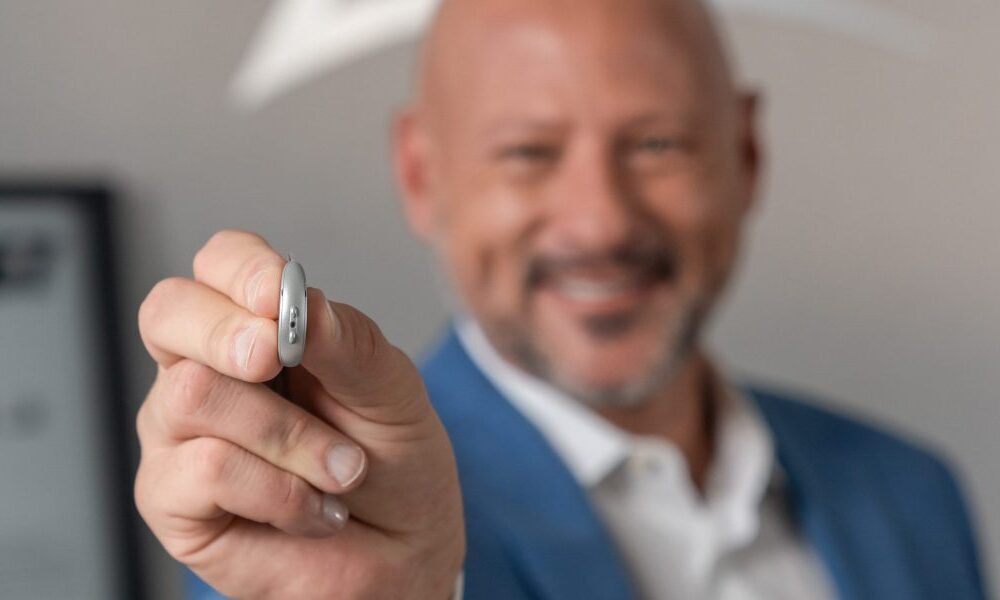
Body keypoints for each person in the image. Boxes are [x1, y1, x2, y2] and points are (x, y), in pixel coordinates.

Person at [133, 0, 987, 597]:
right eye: (529, 153)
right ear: (422, 174)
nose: (601, 221)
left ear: (747, 153)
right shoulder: (319, 518)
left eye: (657, 143)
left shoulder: (911, 492)